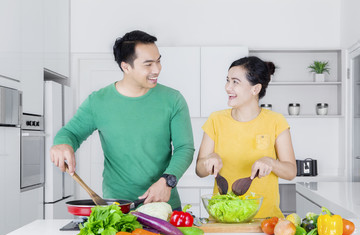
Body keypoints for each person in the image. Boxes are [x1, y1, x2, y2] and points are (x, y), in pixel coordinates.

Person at [50, 30, 195, 210]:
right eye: (148, 64)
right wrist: (62, 143)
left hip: (164, 206)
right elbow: (70, 133)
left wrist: (168, 181)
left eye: (158, 60)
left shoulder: (173, 100)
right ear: (126, 67)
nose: (157, 69)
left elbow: (184, 148)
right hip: (117, 208)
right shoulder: (98, 101)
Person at [195, 56, 296, 218]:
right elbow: (199, 170)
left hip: (266, 221)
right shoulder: (216, 120)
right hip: (223, 218)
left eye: (235, 82)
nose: (228, 87)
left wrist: (271, 162)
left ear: (255, 89)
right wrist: (209, 160)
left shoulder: (276, 121)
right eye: (227, 80)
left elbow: (291, 172)